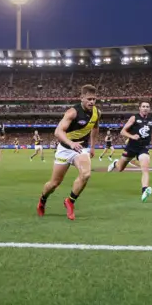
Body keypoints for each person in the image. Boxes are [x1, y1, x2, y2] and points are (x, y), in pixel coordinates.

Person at [37, 85, 100, 220]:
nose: (92, 102)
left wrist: (93, 146)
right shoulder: (72, 112)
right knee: (54, 183)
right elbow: (58, 132)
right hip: (65, 149)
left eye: (94, 99)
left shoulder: (96, 113)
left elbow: (95, 128)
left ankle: (70, 201)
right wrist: (71, 143)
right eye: (89, 99)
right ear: (81, 98)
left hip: (81, 148)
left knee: (86, 174)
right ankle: (42, 200)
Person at [107, 101, 152, 203]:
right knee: (120, 168)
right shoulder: (134, 118)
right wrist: (132, 136)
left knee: (145, 168)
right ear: (139, 108)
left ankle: (144, 191)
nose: (145, 108)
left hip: (143, 148)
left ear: (149, 109)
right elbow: (122, 131)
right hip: (131, 147)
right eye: (143, 106)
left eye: (147, 106)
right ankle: (115, 163)